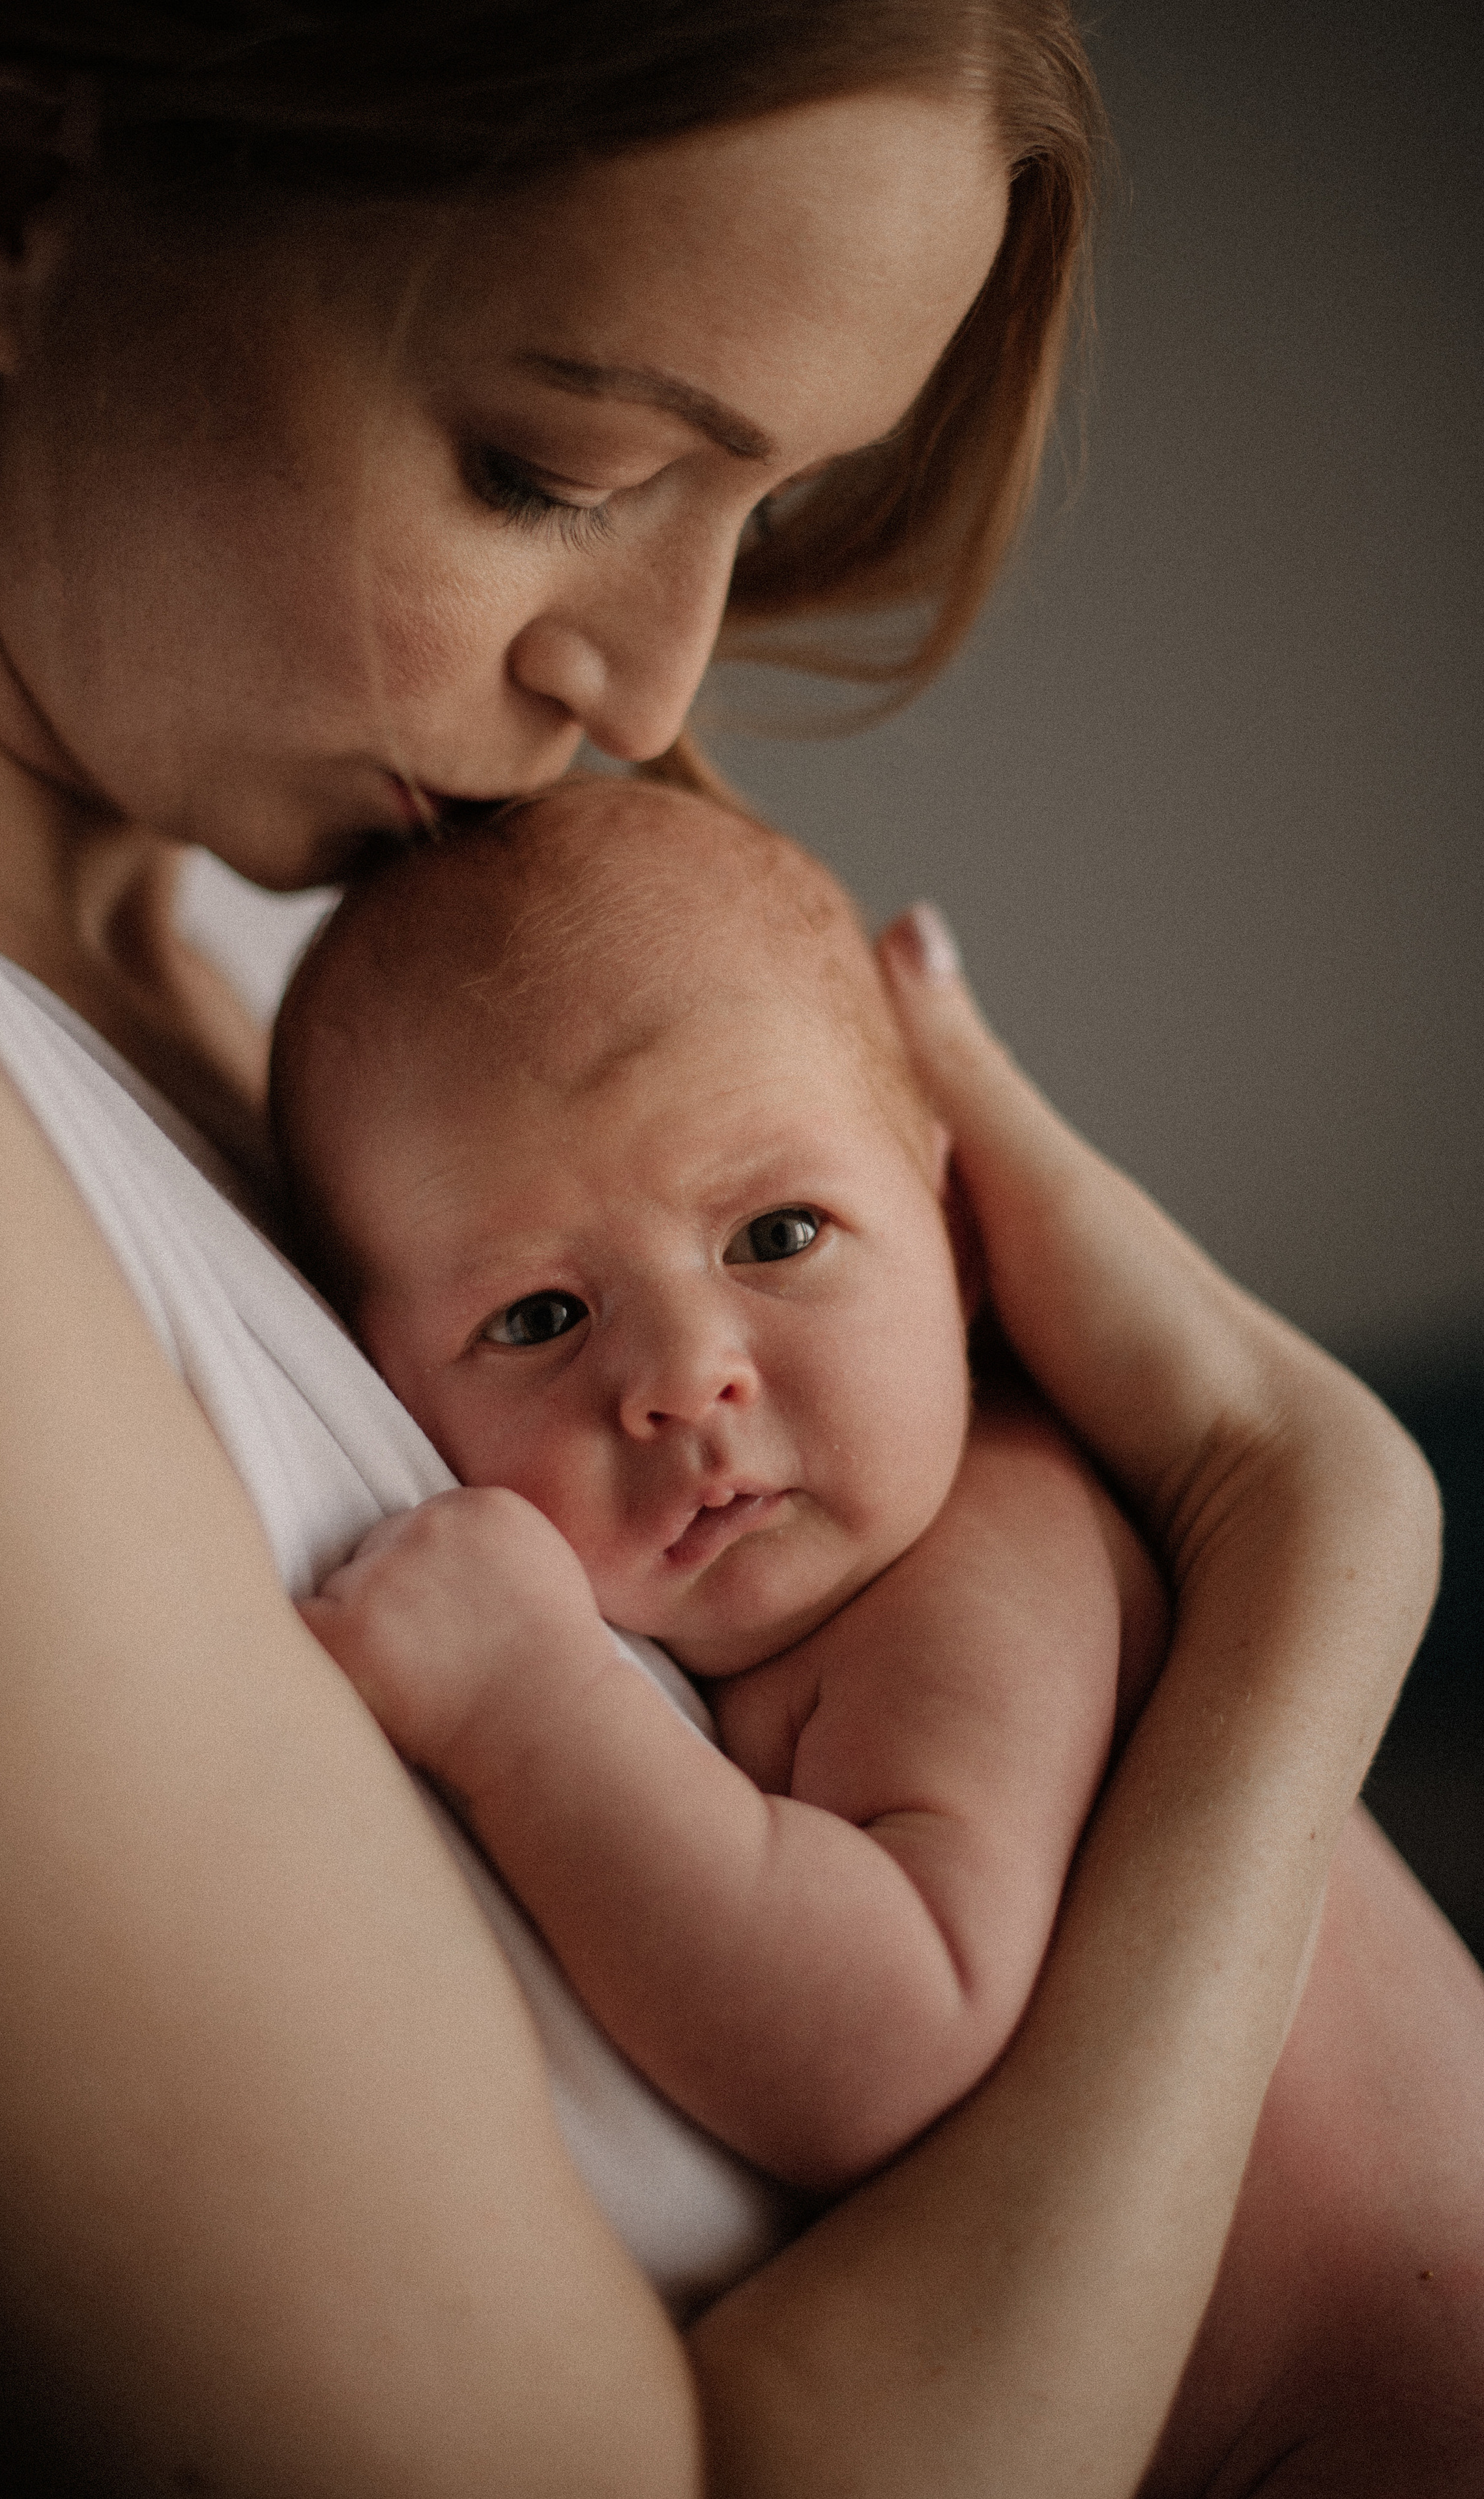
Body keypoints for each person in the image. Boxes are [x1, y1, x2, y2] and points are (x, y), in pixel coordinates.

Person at [0, 6, 1478, 2494]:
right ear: (10, 198)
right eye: (549, 466)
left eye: (764, 503)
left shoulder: (330, 957)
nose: (649, 683)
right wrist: (1313, 1555)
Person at [276, 776, 1172, 2197]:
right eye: (537, 1320)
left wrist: (526, 1713)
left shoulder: (985, 1568)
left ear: (955, 1238)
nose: (685, 1380)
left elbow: (883, 2046)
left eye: (776, 1231)